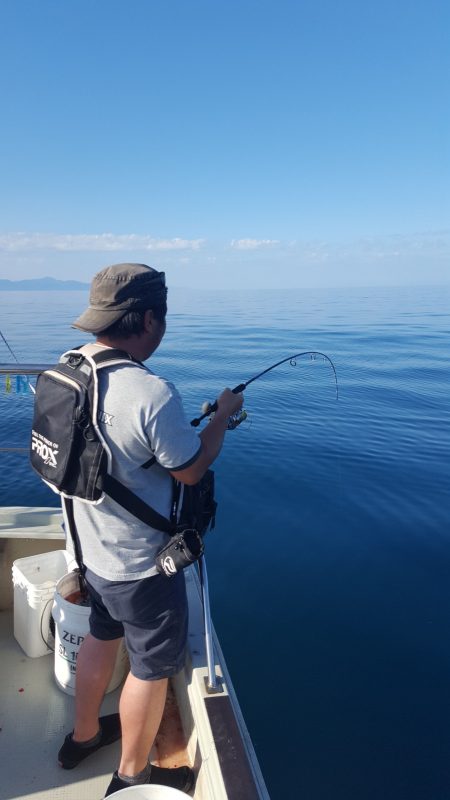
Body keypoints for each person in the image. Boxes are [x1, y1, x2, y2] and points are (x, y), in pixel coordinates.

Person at [57, 263, 243, 797]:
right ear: (147, 318)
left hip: (88, 552)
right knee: (151, 666)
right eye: (161, 318)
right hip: (138, 566)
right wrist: (222, 417)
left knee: (101, 633)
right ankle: (132, 774)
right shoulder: (151, 392)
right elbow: (190, 468)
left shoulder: (67, 370)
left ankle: (84, 736)